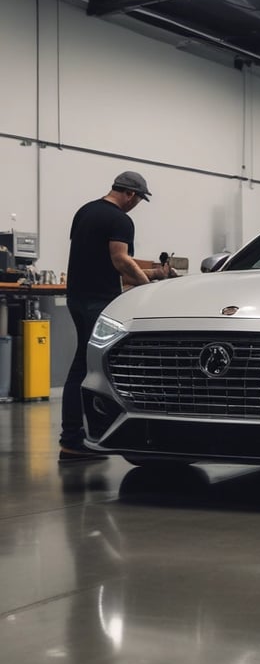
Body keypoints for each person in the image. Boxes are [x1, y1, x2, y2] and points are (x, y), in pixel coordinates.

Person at [59, 171, 169, 462]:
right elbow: (120, 259)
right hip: (99, 302)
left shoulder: (85, 211)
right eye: (139, 199)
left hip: (77, 298)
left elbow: (100, 255)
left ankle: (73, 439)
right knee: (100, 369)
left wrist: (155, 271)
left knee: (82, 366)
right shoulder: (121, 219)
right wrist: (149, 287)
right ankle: (81, 438)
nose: (137, 205)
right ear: (130, 194)